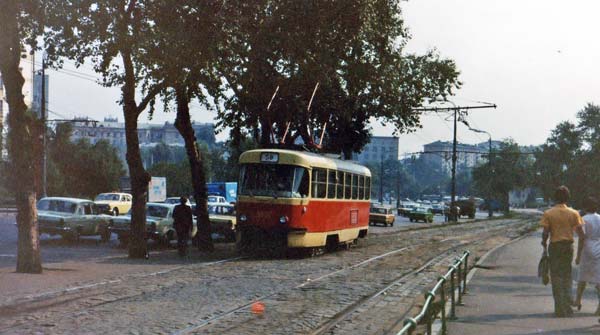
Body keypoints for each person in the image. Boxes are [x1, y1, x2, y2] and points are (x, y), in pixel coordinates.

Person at [541, 186, 585, 317]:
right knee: (567, 276)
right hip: (567, 247)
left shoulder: (549, 213)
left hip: (555, 247)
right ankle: (567, 307)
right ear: (568, 198)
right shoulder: (573, 213)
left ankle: (559, 308)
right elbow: (581, 234)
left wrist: (544, 244)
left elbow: (545, 233)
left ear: (555, 197)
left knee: (556, 277)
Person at [574, 197, 600, 314]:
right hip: (598, 246)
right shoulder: (599, 218)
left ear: (585, 207)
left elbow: (582, 238)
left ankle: (578, 300)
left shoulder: (583, 219)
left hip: (587, 247)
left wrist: (578, 255)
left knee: (582, 276)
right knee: (598, 278)